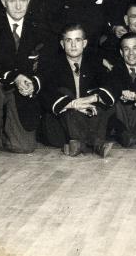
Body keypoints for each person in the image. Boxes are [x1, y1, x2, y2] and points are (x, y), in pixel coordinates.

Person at [0, 0, 49, 153]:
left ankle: (9, 136)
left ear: (29, 0)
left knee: (24, 147)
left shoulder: (40, 27)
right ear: (3, 2)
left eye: (22, 0)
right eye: (12, 0)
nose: (18, 5)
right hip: (0, 83)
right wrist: (15, 76)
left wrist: (33, 83)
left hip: (23, 89)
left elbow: (46, 66)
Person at [39, 23, 115, 158]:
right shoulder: (52, 64)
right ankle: (96, 143)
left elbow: (110, 85)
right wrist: (73, 104)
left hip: (89, 117)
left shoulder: (94, 63)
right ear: (62, 44)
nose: (73, 45)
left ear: (84, 43)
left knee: (104, 103)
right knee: (65, 94)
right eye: (69, 40)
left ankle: (78, 144)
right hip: (62, 125)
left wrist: (91, 99)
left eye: (77, 40)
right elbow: (46, 93)